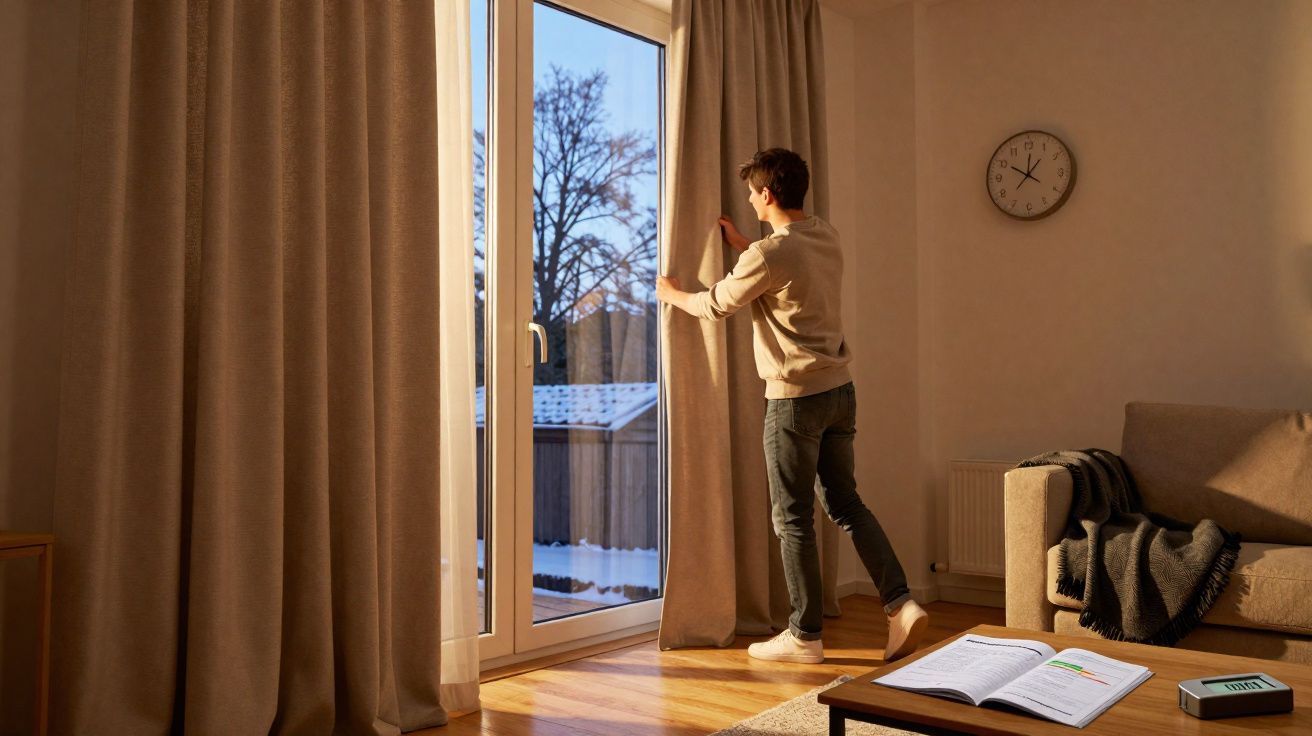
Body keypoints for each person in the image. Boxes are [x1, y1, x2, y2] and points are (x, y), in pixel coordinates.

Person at [655, 148, 928, 664]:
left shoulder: (768, 255)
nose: (750, 200)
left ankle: (804, 636)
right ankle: (900, 602)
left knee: (793, 518)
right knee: (847, 505)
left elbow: (715, 304)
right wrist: (745, 245)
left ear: (767, 193)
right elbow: (785, 268)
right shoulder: (826, 234)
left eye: (753, 193)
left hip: (794, 401)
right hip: (840, 393)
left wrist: (671, 294)